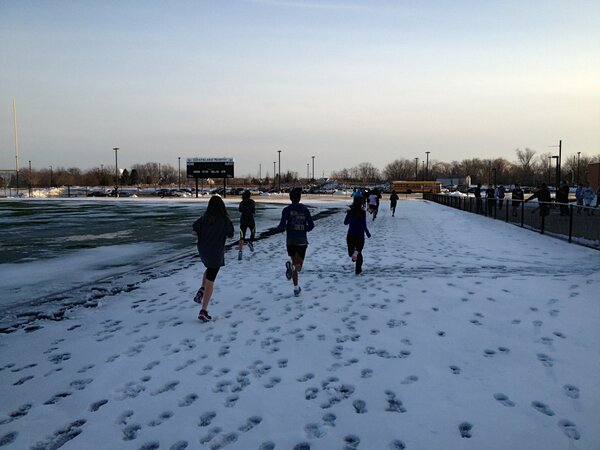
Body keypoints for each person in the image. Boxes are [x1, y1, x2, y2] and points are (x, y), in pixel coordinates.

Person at [192, 195, 234, 322]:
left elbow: (194, 230)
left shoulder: (204, 218)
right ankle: (203, 310)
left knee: (209, 269)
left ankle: (202, 289)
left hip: (203, 250)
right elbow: (231, 235)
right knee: (211, 279)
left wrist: (202, 233)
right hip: (216, 252)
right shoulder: (225, 220)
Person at [276, 187, 315, 296]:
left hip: (290, 240)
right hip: (302, 240)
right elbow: (311, 225)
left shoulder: (286, 210)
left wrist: (279, 229)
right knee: (299, 266)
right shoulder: (305, 209)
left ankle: (296, 288)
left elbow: (282, 226)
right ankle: (294, 277)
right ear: (299, 198)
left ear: (290, 198)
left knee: (294, 262)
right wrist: (304, 228)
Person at [344, 197, 371, 275]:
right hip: (360, 235)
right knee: (359, 252)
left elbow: (345, 222)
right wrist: (367, 232)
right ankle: (358, 270)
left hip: (351, 235)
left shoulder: (350, 212)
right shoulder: (362, 212)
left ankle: (354, 254)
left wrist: (349, 216)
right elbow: (363, 224)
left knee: (351, 253)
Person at [238, 190, 256, 260]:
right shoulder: (252, 202)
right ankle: (250, 242)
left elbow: (240, 210)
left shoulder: (242, 202)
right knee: (253, 232)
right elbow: (253, 210)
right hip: (251, 220)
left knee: (242, 236)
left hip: (243, 221)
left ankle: (240, 251)